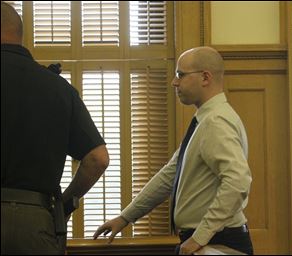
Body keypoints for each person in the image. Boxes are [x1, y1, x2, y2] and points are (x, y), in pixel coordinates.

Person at [93, 46, 254, 255]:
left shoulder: (215, 122)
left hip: (218, 244)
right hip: (209, 242)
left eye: (180, 75)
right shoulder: (205, 121)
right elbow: (169, 176)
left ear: (205, 77)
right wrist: (125, 217)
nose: (174, 82)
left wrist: (199, 237)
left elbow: (238, 181)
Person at [1, 2, 109, 254]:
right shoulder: (59, 89)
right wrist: (66, 202)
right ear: (19, 34)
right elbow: (98, 158)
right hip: (37, 222)